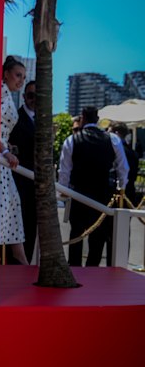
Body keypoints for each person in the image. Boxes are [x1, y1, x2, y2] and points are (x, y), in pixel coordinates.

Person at [59, 106, 129, 266]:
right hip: (103, 195)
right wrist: (121, 188)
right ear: (97, 119)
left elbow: (64, 171)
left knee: (76, 233)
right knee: (98, 237)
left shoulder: (71, 140)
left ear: (82, 117)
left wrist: (64, 192)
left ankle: (75, 269)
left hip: (79, 195)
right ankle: (93, 270)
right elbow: (123, 168)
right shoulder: (112, 139)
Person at [0, 56, 28, 265]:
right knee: (3, 212)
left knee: (11, 208)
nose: (21, 81)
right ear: (6, 73)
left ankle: (22, 261)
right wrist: (5, 151)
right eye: (18, 75)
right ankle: (19, 262)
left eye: (24, 77)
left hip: (3, 161)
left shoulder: (7, 95)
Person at [9, 79, 37, 262]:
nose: (33, 99)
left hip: (36, 185)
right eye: (30, 95)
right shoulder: (15, 118)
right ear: (25, 96)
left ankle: (27, 267)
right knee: (18, 227)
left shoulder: (44, 120)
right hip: (18, 181)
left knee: (31, 227)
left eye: (37, 95)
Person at [110, 122, 139, 206]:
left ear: (116, 133)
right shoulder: (133, 153)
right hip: (130, 193)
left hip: (116, 194)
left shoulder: (115, 150)